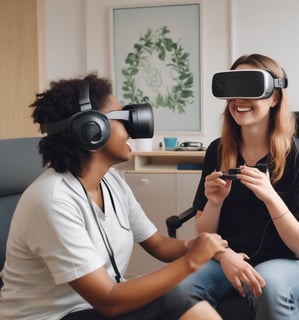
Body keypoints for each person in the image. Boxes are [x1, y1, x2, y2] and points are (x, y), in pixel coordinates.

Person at [0, 73, 228, 320]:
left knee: (172, 297)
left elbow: (158, 245)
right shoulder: (53, 200)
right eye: (122, 118)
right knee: (172, 300)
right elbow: (109, 300)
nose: (131, 130)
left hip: (91, 310)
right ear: (91, 129)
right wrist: (191, 262)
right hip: (51, 316)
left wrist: (195, 247)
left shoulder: (112, 182)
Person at [178, 54, 299, 319]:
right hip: (230, 258)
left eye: (251, 89)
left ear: (275, 98)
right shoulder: (218, 151)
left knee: (268, 284)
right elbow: (205, 232)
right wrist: (215, 204)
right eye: (234, 91)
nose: (239, 100)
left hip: (295, 263)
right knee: (179, 288)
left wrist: (271, 197)